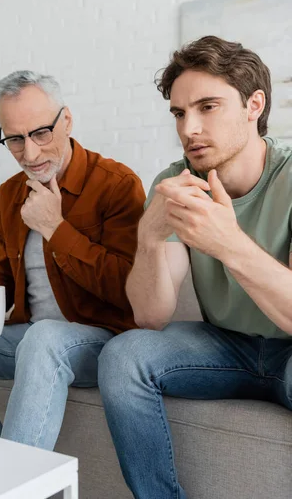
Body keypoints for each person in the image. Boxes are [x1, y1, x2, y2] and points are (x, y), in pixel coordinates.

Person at [98, 36, 292, 498]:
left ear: (254, 105)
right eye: (180, 114)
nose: (190, 129)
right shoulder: (173, 182)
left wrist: (227, 243)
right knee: (124, 356)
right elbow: (151, 316)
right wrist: (147, 237)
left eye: (207, 107)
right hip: (225, 346)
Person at [0, 70, 145, 449]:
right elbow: (2, 269)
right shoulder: (9, 194)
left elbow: (129, 290)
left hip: (101, 341)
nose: (30, 153)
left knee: (44, 338)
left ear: (66, 121)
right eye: (15, 139)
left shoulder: (116, 185)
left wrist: (56, 227)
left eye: (40, 133)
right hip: (31, 337)